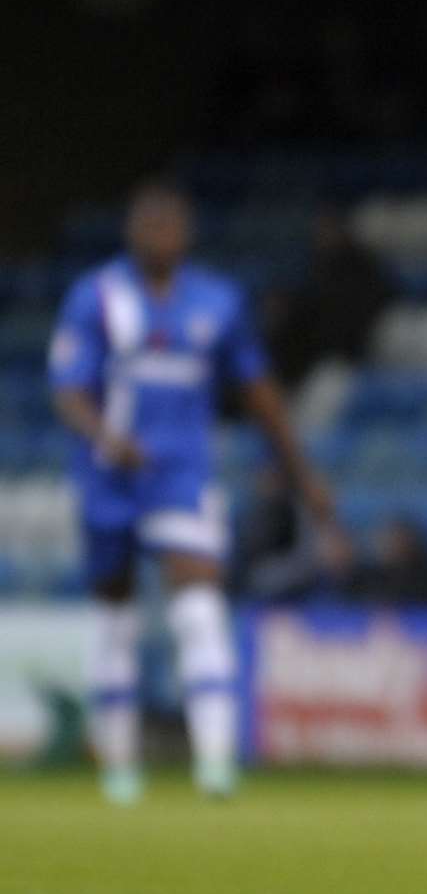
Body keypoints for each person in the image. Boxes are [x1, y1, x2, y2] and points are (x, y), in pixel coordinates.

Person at [48, 180, 337, 802]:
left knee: (199, 605)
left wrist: (304, 476)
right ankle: (120, 770)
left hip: (181, 474)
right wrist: (104, 435)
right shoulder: (95, 296)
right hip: (108, 477)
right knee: (115, 620)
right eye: (148, 225)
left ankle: (215, 764)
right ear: (131, 232)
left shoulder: (218, 302)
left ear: (186, 234)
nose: (160, 236)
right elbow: (68, 390)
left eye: (169, 225)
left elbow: (261, 395)